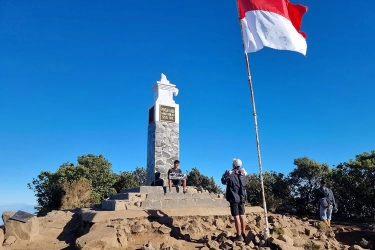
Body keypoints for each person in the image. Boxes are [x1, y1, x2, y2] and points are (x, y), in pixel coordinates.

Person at [221, 158, 247, 241]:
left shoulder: (230, 173)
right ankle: (243, 233)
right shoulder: (243, 173)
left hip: (233, 197)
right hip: (242, 197)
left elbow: (223, 181)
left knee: (236, 216)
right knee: (242, 215)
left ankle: (239, 235)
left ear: (233, 164)